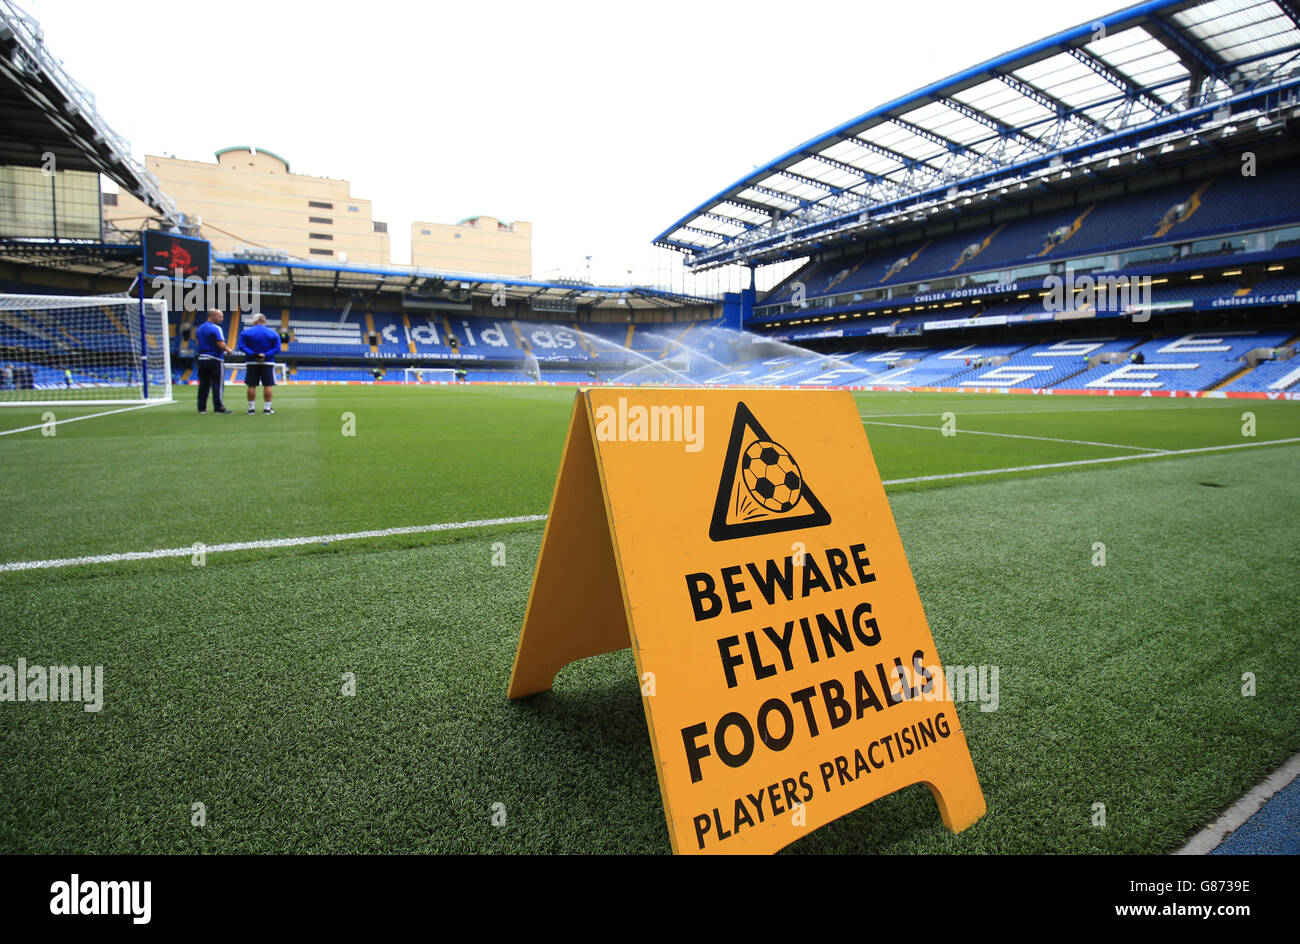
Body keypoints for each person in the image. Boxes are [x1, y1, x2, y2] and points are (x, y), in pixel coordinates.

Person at [237, 313, 281, 414]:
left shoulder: (246, 333)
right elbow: (277, 348)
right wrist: (265, 355)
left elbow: (242, 346)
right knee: (268, 385)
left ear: (254, 321)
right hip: (267, 362)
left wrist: (254, 355)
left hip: (252, 362)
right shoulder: (273, 333)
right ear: (264, 321)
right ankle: (267, 408)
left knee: (251, 386)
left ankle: (251, 409)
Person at [194, 308, 234, 414]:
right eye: (220, 316)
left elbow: (198, 343)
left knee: (203, 384)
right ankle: (218, 407)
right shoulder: (216, 328)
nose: (222, 319)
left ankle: (201, 408)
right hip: (215, 359)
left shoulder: (199, 328)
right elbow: (220, 344)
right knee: (218, 384)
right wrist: (228, 350)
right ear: (212, 316)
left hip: (202, 359)